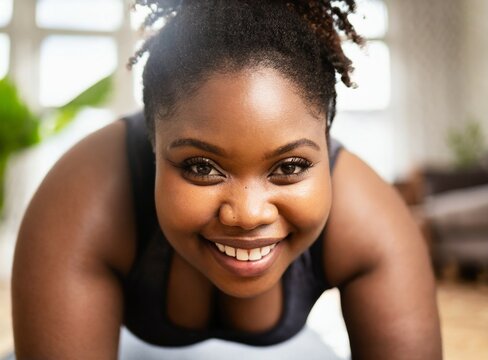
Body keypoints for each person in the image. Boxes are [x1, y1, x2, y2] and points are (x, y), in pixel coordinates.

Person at [11, 0, 442, 358]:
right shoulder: (82, 198)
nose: (248, 214)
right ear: (153, 141)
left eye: (289, 167)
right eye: (201, 167)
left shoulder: (371, 221)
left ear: (325, 138)